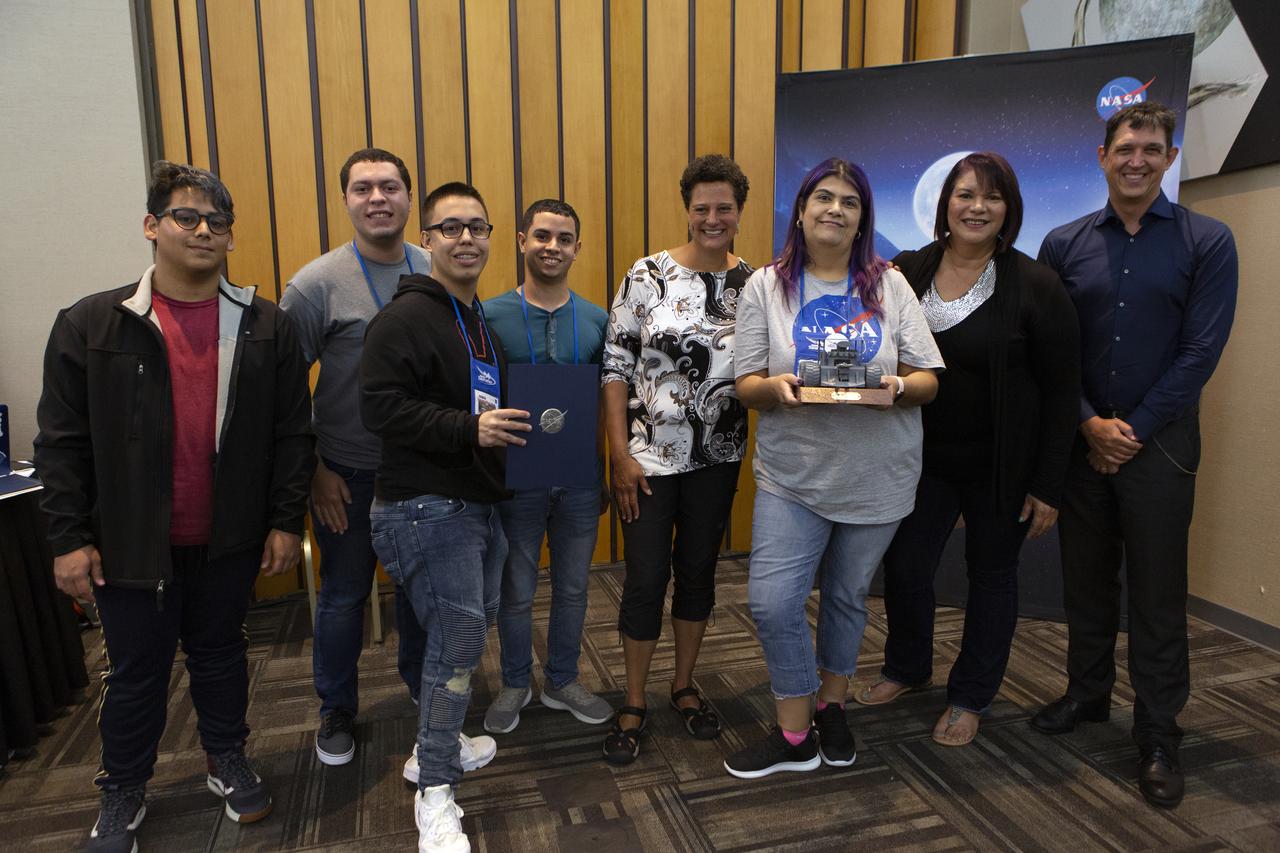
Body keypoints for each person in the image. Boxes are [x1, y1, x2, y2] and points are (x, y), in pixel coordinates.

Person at [35, 162, 314, 852]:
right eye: (186, 217)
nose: (203, 230)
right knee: (136, 672)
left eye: (217, 221)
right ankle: (122, 787)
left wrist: (283, 519)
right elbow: (61, 444)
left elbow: (292, 434)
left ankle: (226, 755)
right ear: (152, 226)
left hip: (228, 537)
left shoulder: (265, 324)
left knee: (221, 654)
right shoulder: (94, 323)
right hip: (130, 544)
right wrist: (68, 539)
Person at [1031, 102, 1238, 809]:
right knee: (1085, 584)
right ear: (1102, 155)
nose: (1137, 159)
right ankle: (1087, 695)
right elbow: (1052, 351)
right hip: (1082, 446)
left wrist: (1131, 430)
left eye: (1152, 148)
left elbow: (1200, 352)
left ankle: (1157, 732)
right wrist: (1090, 424)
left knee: (1155, 595)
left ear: (1169, 158)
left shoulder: (1208, 242)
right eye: (1125, 147)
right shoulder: (1063, 244)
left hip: (1161, 449)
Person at [856, 152, 1080, 747]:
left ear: (1009, 210)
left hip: (1001, 469)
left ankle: (970, 696)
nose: (977, 206)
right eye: (964, 194)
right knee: (905, 569)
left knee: (991, 576)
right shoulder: (906, 270)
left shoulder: (1037, 285)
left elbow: (1063, 395)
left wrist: (1049, 485)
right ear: (943, 204)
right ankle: (907, 667)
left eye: (992, 196)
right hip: (918, 461)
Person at [727, 158, 942, 779]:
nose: (836, 209)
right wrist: (776, 386)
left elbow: (930, 378)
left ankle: (831, 706)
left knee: (847, 598)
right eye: (824, 197)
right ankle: (796, 735)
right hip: (794, 473)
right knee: (772, 601)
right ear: (800, 210)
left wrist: (897, 386)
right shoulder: (765, 287)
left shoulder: (890, 285)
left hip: (879, 473)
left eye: (850, 201)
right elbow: (744, 385)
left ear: (861, 220)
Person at [281, 148, 472, 772]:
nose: (377, 198)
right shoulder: (315, 285)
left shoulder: (437, 267)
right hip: (348, 473)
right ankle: (336, 709)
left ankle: (421, 687)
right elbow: (283, 391)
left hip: (423, 468)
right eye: (363, 188)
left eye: (390, 186)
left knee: (422, 597)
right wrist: (315, 471)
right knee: (342, 596)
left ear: (409, 199)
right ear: (346, 201)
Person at [361, 182, 530, 852]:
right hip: (423, 508)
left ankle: (439, 739)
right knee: (459, 645)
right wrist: (470, 429)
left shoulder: (474, 321)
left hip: (472, 506)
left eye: (477, 227)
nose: (466, 239)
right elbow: (380, 409)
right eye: (449, 227)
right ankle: (435, 792)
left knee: (452, 641)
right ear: (425, 239)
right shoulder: (402, 319)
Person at [601, 153, 752, 764]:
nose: (712, 218)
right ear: (686, 209)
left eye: (724, 208)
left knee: (697, 577)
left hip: (718, 459)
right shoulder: (647, 274)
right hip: (647, 460)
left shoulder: (759, 284)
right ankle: (633, 699)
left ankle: (683, 685)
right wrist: (617, 454)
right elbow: (615, 366)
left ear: (739, 211)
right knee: (643, 581)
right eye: (701, 208)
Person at [480, 199, 613, 733]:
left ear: (577, 248)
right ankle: (516, 682)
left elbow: (610, 401)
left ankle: (561, 679)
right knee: (515, 590)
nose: (551, 247)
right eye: (541, 236)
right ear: (521, 241)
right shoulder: (488, 315)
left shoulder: (598, 318)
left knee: (575, 587)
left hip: (578, 477)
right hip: (516, 480)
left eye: (563, 239)